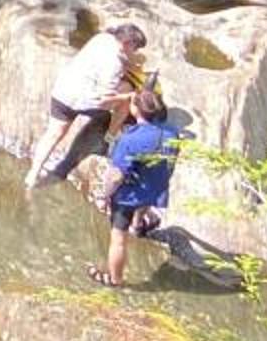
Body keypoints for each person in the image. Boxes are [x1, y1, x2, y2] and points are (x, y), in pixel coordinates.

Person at [27, 21, 149, 188]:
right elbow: (104, 99)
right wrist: (129, 95)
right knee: (126, 94)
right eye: (135, 48)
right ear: (127, 43)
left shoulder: (102, 38)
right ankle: (110, 138)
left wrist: (128, 65)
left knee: (53, 133)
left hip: (61, 93)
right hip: (82, 100)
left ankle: (32, 174)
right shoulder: (114, 64)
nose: (135, 52)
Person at [97, 91, 182, 287]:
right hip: (156, 187)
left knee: (118, 239)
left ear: (136, 110)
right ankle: (138, 224)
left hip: (129, 196)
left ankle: (115, 279)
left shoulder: (130, 139)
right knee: (144, 203)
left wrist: (104, 196)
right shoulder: (172, 132)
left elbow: (116, 175)